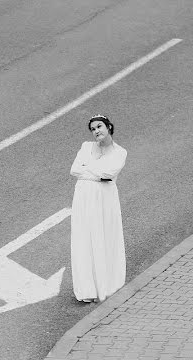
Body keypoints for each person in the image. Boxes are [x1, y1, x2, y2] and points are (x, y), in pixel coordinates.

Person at [69, 114, 128, 303]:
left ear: (109, 127)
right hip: (83, 198)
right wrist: (96, 173)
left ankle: (105, 283)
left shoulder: (120, 152)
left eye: (99, 126)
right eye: (93, 129)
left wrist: (87, 169)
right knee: (83, 240)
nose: (96, 131)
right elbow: (74, 170)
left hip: (105, 200)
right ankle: (87, 290)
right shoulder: (86, 147)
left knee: (104, 237)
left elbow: (109, 174)